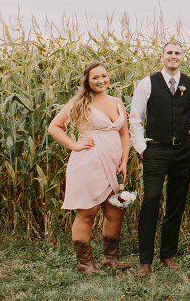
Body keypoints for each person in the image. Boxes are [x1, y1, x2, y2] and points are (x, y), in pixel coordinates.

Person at [48, 61, 130, 273]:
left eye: (104, 76)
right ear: (87, 81)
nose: (101, 80)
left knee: (116, 212)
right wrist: (74, 145)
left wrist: (124, 162)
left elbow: (124, 134)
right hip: (88, 163)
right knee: (88, 213)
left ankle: (110, 258)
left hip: (113, 165)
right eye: (95, 78)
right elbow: (54, 127)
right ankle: (85, 263)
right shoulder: (80, 103)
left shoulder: (117, 102)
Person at [129, 41, 190, 276]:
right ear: (162, 56)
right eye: (169, 52)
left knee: (176, 201)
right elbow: (135, 118)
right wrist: (142, 148)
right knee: (151, 199)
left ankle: (167, 255)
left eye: (177, 53)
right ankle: (145, 261)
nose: (173, 56)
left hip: (183, 151)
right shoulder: (147, 83)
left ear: (182, 57)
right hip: (156, 150)